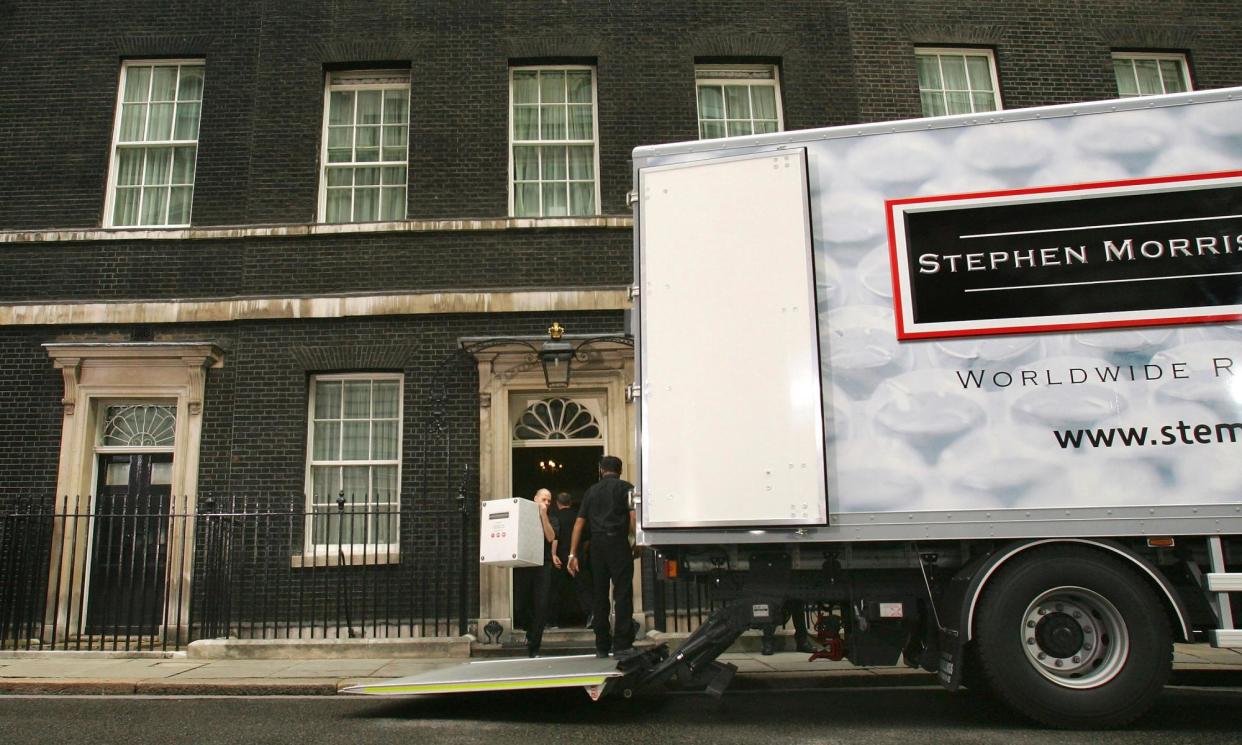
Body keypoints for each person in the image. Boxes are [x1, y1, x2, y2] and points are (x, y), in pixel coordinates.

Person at [568, 455, 637, 658]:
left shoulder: (591, 491)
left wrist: (573, 553)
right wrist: (637, 541)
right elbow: (633, 516)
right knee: (622, 592)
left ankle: (602, 645)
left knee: (600, 593)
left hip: (597, 545)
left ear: (601, 470)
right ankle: (622, 644)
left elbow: (579, 523)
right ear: (620, 470)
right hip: (618, 543)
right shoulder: (627, 488)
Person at [548, 491, 593, 628]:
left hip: (559, 559)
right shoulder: (578, 517)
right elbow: (586, 539)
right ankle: (591, 615)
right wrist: (581, 553)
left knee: (556, 590)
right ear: (571, 502)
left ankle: (553, 621)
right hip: (577, 558)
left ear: (557, 503)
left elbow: (552, 538)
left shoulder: (554, 517)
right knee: (583, 589)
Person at [526, 488, 559, 657]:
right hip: (525, 563)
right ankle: (528, 633)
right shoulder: (525, 516)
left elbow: (551, 537)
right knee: (525, 603)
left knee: (541, 604)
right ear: (535, 499)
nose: (546, 503)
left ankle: (534, 646)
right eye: (544, 499)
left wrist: (543, 516)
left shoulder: (552, 518)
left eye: (549, 500)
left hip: (543, 563)